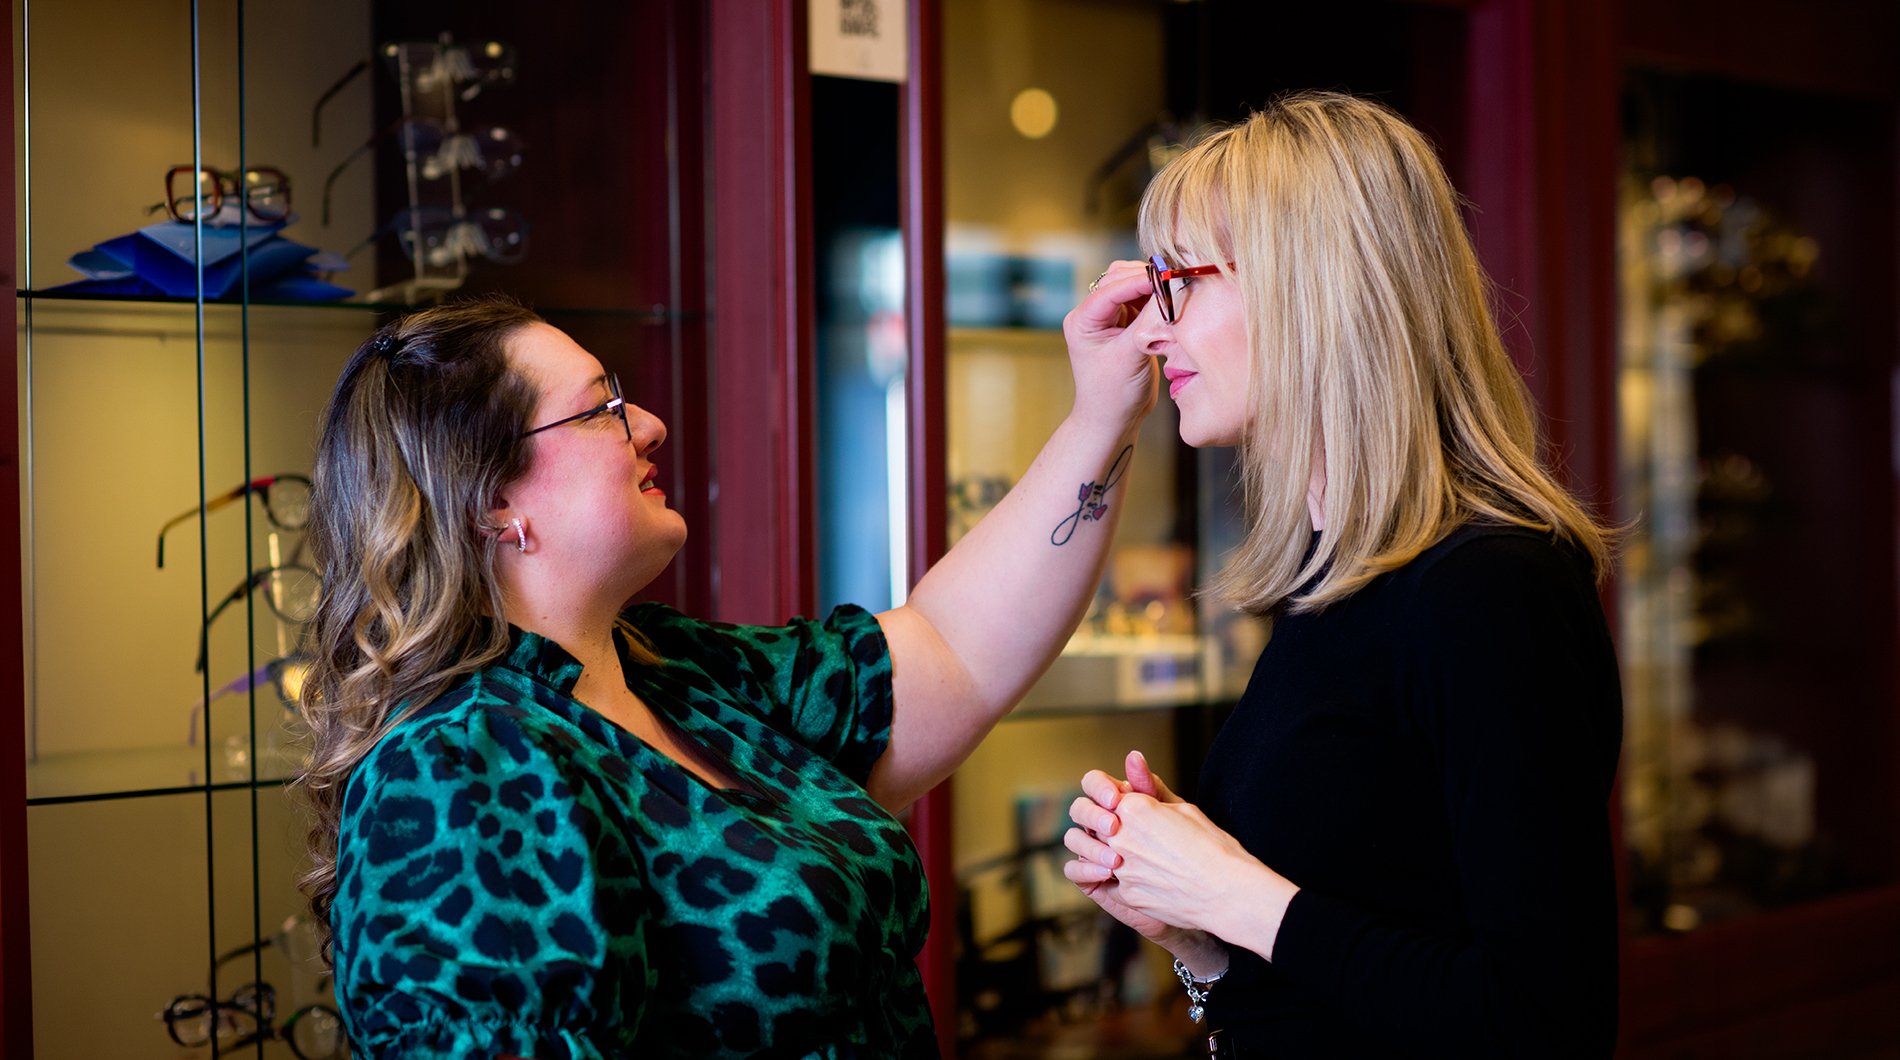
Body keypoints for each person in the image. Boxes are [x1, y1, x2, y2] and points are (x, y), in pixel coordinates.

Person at [295, 290, 1160, 1059]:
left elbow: (951, 651)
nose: (649, 425)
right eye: (601, 410)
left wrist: (1103, 411)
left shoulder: (671, 673)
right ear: (494, 502)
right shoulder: (454, 768)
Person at [1061, 92, 1622, 1058]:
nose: (1151, 332)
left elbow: (1544, 1027)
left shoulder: (1494, 592)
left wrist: (1234, 892)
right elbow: (1332, 994)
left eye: (1176, 283)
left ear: (1309, 290)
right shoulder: (1334, 579)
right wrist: (1195, 935)